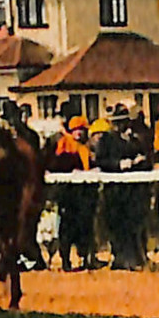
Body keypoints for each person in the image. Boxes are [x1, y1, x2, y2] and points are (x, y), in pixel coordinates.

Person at [94, 104, 150, 270]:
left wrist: (139, 161)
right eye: (119, 122)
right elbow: (100, 161)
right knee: (116, 225)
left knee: (132, 225)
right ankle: (119, 258)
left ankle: (133, 258)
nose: (122, 126)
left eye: (125, 122)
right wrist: (118, 164)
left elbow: (144, 158)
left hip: (132, 192)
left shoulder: (133, 141)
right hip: (114, 191)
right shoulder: (106, 140)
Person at [45, 114, 97, 271]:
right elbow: (55, 164)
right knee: (66, 228)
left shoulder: (86, 148)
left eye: (82, 130)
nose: (79, 133)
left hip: (84, 193)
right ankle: (65, 261)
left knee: (85, 227)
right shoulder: (64, 144)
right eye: (76, 130)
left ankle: (86, 259)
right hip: (67, 194)